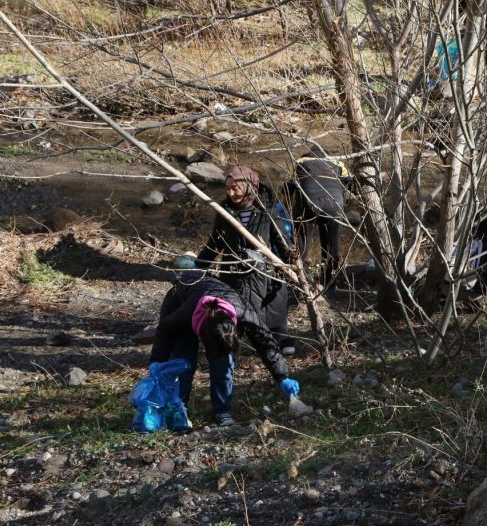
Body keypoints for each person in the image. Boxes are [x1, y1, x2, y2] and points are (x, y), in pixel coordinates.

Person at [149, 272, 300, 427]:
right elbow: (164, 330)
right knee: (183, 364)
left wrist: (282, 376)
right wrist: (156, 361)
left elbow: (264, 340)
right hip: (181, 302)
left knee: (223, 364)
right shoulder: (183, 313)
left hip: (214, 302)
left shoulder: (243, 311)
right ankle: (178, 410)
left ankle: (222, 410)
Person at [195, 166, 296, 355]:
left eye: (235, 188)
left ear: (250, 186)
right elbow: (215, 242)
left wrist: (292, 260)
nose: (231, 193)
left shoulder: (267, 209)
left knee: (274, 305)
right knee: (236, 306)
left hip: (263, 270)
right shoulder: (224, 211)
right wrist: (199, 266)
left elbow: (281, 238)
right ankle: (235, 343)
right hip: (234, 270)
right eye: (228, 188)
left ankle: (281, 338)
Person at [285, 150, 353, 290]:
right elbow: (350, 183)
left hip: (309, 204)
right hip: (334, 204)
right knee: (332, 246)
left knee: (301, 244)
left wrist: (286, 209)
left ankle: (297, 281)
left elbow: (288, 186)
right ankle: (330, 282)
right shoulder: (338, 163)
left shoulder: (301, 162)